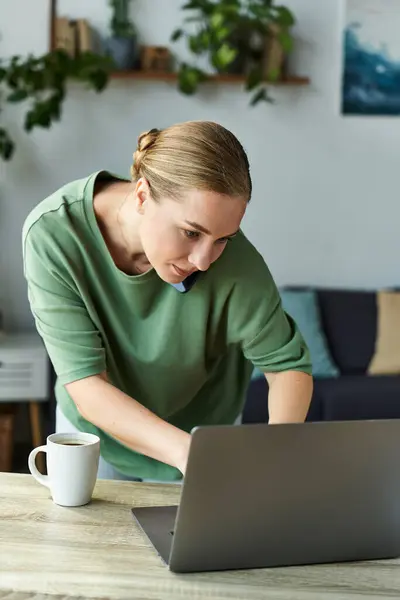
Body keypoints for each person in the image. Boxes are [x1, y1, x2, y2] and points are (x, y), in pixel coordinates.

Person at [22, 120, 313, 483]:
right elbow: (86, 383)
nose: (204, 261)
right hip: (100, 429)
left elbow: (287, 366)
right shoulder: (54, 235)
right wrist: (186, 452)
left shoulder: (238, 264)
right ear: (142, 195)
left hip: (203, 427)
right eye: (191, 232)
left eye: (223, 238)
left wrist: (275, 450)